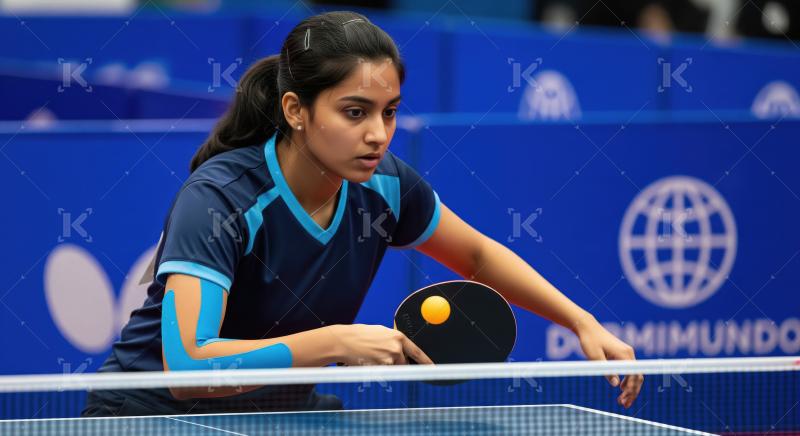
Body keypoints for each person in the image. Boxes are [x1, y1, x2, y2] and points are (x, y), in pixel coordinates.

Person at [82, 10, 642, 417]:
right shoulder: (221, 200)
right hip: (144, 416)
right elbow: (189, 370)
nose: (378, 134)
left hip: (273, 414)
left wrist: (581, 322)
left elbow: (475, 255)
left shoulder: (386, 187)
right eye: (355, 112)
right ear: (296, 110)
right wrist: (336, 342)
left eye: (389, 112)